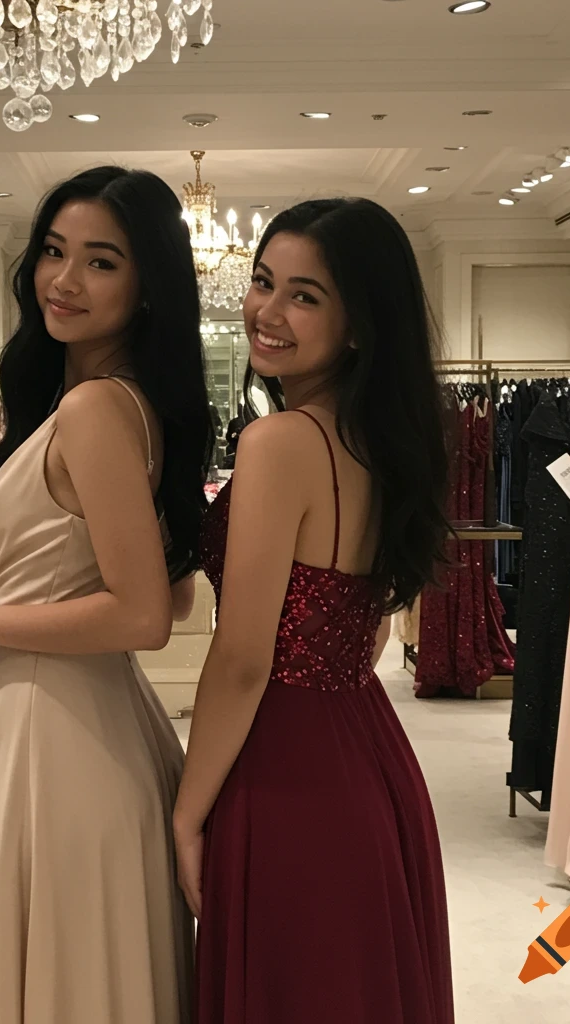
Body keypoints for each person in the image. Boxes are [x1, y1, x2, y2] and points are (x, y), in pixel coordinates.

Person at [0, 165, 213, 1024]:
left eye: (101, 261)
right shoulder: (100, 403)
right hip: (62, 721)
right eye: (55, 251)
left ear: (148, 284)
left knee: (59, 978)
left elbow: (145, 615)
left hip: (61, 740)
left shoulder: (95, 410)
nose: (63, 279)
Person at [174, 198, 455, 1023]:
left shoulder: (282, 442)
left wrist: (188, 812)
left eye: (305, 295)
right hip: (365, 750)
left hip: (288, 768)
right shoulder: (382, 443)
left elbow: (243, 658)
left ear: (360, 325)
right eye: (264, 282)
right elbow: (359, 633)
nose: (266, 311)